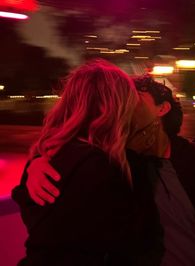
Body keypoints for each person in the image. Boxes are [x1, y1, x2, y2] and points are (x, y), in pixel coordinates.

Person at [19, 74, 195, 266]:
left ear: (162, 108)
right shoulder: (118, 163)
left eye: (134, 97)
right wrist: (37, 163)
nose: (124, 105)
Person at [12, 62, 164, 266]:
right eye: (130, 102)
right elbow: (138, 242)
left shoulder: (48, 156)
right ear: (111, 106)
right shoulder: (101, 167)